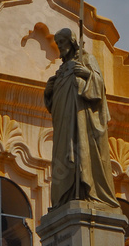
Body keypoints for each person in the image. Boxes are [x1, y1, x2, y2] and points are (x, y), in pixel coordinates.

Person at [44, 28, 118, 208]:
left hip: (81, 119)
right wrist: (50, 91)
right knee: (63, 156)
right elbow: (54, 103)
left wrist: (87, 74)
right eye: (58, 43)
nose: (60, 46)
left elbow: (100, 88)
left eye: (62, 42)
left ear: (72, 42)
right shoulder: (61, 70)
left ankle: (86, 189)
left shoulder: (86, 60)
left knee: (82, 152)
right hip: (63, 124)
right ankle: (66, 195)